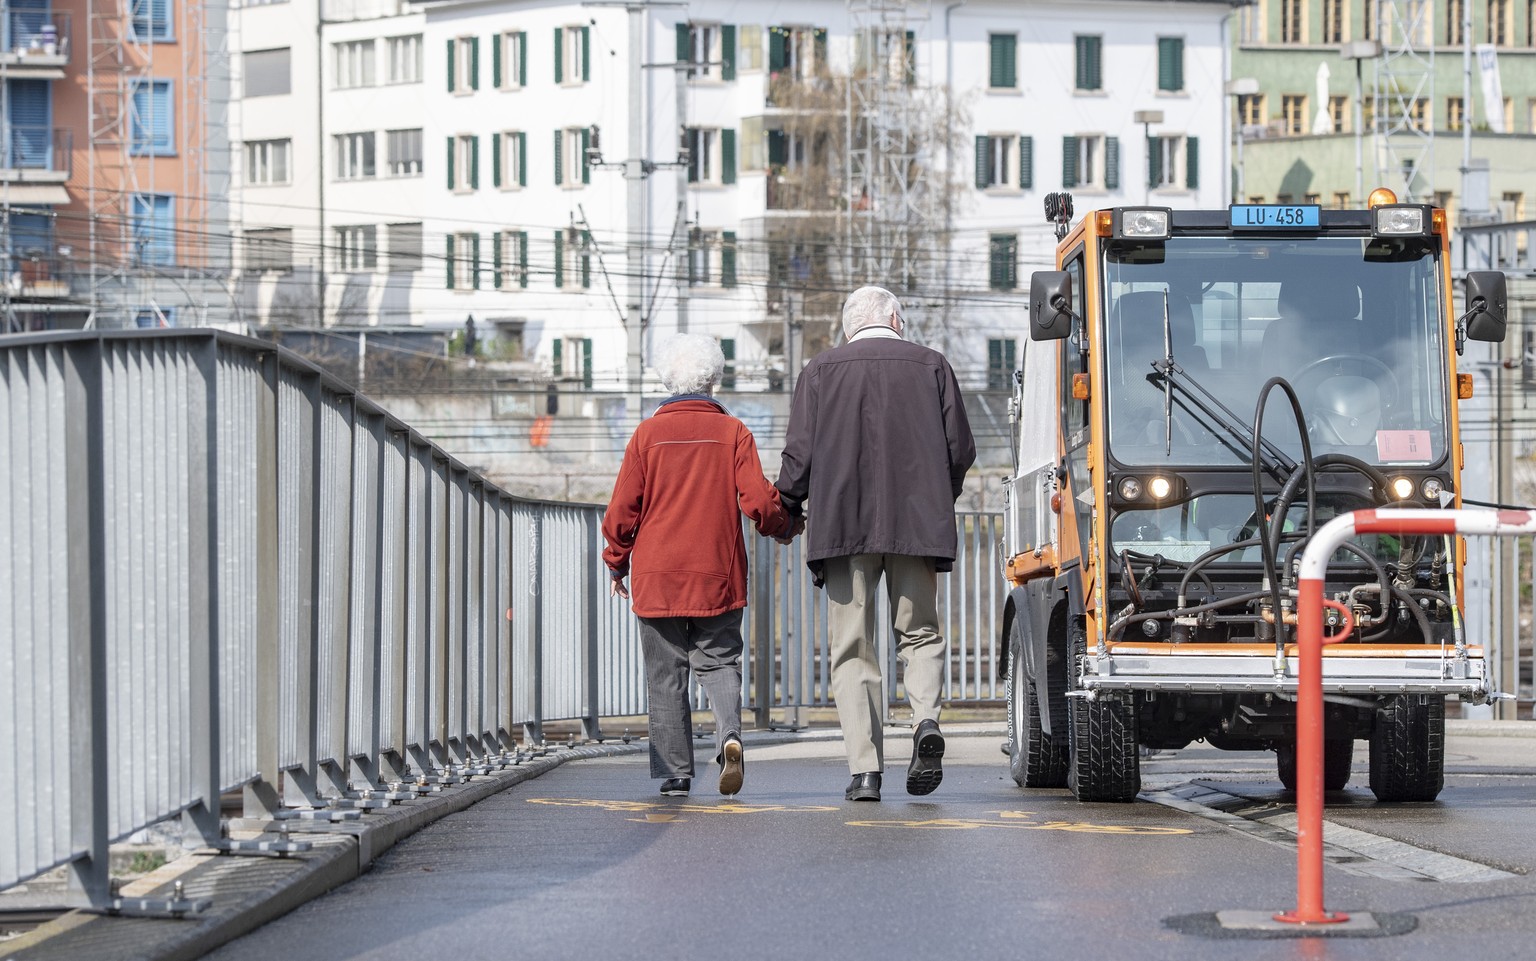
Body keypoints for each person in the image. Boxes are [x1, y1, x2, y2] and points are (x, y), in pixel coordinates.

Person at [775, 286, 976, 802]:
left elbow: (799, 458)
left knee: (853, 649)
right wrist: (936, 495)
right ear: (894, 318)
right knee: (921, 634)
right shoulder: (933, 366)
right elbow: (960, 449)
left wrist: (788, 509)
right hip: (916, 523)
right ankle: (925, 721)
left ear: (848, 327)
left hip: (843, 527)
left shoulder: (819, 371)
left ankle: (866, 771)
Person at [602, 334, 792, 798]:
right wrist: (784, 525)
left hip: (657, 576)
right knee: (720, 660)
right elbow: (757, 503)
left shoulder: (646, 435)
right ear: (714, 380)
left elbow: (622, 511)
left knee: (666, 674)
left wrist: (616, 562)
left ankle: (675, 775)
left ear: (668, 380)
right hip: (717, 573)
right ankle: (729, 735)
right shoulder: (734, 433)